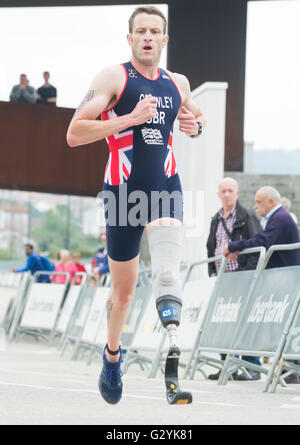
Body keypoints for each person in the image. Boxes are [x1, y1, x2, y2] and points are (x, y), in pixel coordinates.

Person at [67, 6, 206, 405]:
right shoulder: (113, 77)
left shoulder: (177, 82)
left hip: (165, 183)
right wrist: (127, 119)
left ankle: (173, 360)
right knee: (124, 294)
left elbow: (195, 119)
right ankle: (112, 355)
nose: (147, 36)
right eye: (140, 31)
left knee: (165, 271)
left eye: (154, 31)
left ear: (164, 40)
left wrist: (196, 126)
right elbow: (75, 133)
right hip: (122, 191)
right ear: (129, 39)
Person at [224, 186, 300, 384]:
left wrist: (235, 246)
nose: (255, 206)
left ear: (271, 202)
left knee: (289, 324)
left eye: (259, 202)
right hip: (283, 278)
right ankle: (291, 368)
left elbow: (264, 241)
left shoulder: (280, 218)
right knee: (288, 323)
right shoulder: (277, 218)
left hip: (287, 279)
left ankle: (293, 368)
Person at [206, 177, 262, 381]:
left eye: (230, 191)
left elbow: (257, 246)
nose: (227, 194)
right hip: (222, 280)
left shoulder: (247, 215)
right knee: (224, 324)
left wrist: (247, 272)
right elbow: (210, 246)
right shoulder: (216, 219)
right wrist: (212, 272)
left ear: (237, 193)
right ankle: (227, 366)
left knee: (244, 323)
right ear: (219, 194)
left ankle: (252, 367)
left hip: (243, 278)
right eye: (224, 191)